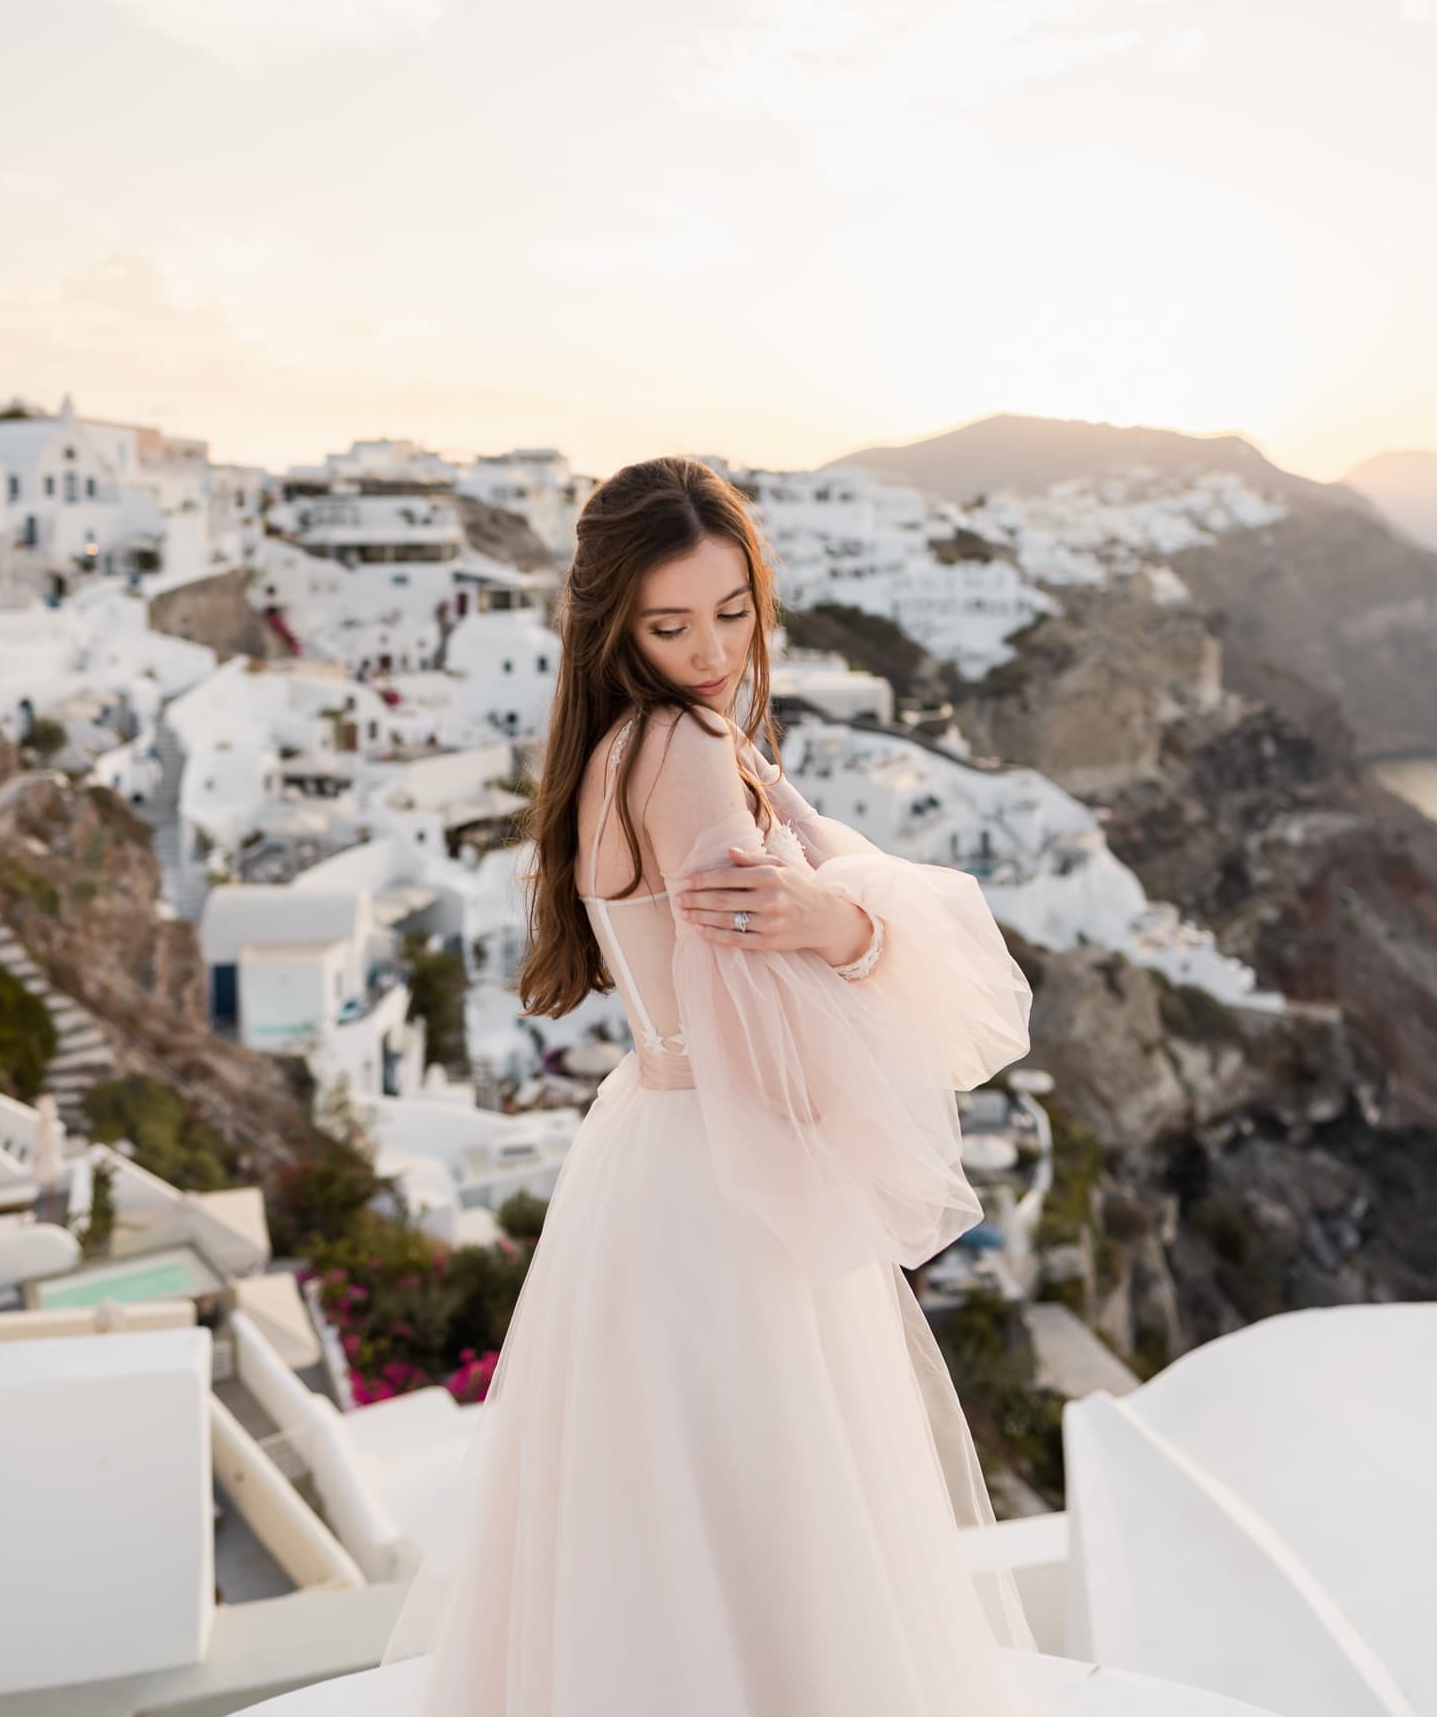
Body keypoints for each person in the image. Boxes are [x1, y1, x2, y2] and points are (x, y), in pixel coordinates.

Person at [379, 455, 1044, 1715]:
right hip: (726, 1177)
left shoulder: (619, 751)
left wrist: (823, 920)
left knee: (662, 1539)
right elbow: (777, 1053)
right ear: (613, 625)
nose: (712, 650)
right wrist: (850, 934)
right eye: (670, 624)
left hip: (649, 1157)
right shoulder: (685, 749)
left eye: (733, 611)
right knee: (778, 1531)